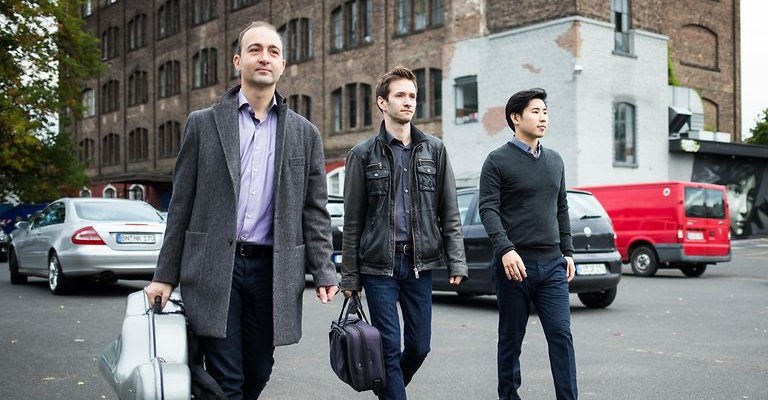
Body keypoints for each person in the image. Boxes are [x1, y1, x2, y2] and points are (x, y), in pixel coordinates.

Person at [144, 21, 339, 399]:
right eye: (255, 50)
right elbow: (180, 205)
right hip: (217, 268)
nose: (264, 57)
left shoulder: (305, 134)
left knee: (258, 372)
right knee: (227, 379)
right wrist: (164, 275)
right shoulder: (203, 124)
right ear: (238, 60)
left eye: (273, 51)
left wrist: (324, 268)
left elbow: (315, 211)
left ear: (283, 65)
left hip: (273, 270)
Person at [341, 66, 468, 400]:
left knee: (419, 346)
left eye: (412, 95)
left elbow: (449, 212)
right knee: (386, 348)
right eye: (400, 95)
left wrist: (457, 262)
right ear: (382, 102)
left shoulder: (434, 150)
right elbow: (352, 223)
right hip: (378, 268)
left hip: (418, 264)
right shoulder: (362, 154)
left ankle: (388, 389)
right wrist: (350, 278)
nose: (408, 101)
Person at [479, 88, 577, 400]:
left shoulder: (556, 161)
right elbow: (488, 210)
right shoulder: (496, 161)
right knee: (511, 339)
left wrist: (568, 252)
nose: (543, 117)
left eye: (545, 111)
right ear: (515, 117)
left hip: (552, 265)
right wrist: (505, 249)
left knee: (561, 336)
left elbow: (560, 208)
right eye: (535, 111)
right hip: (514, 268)